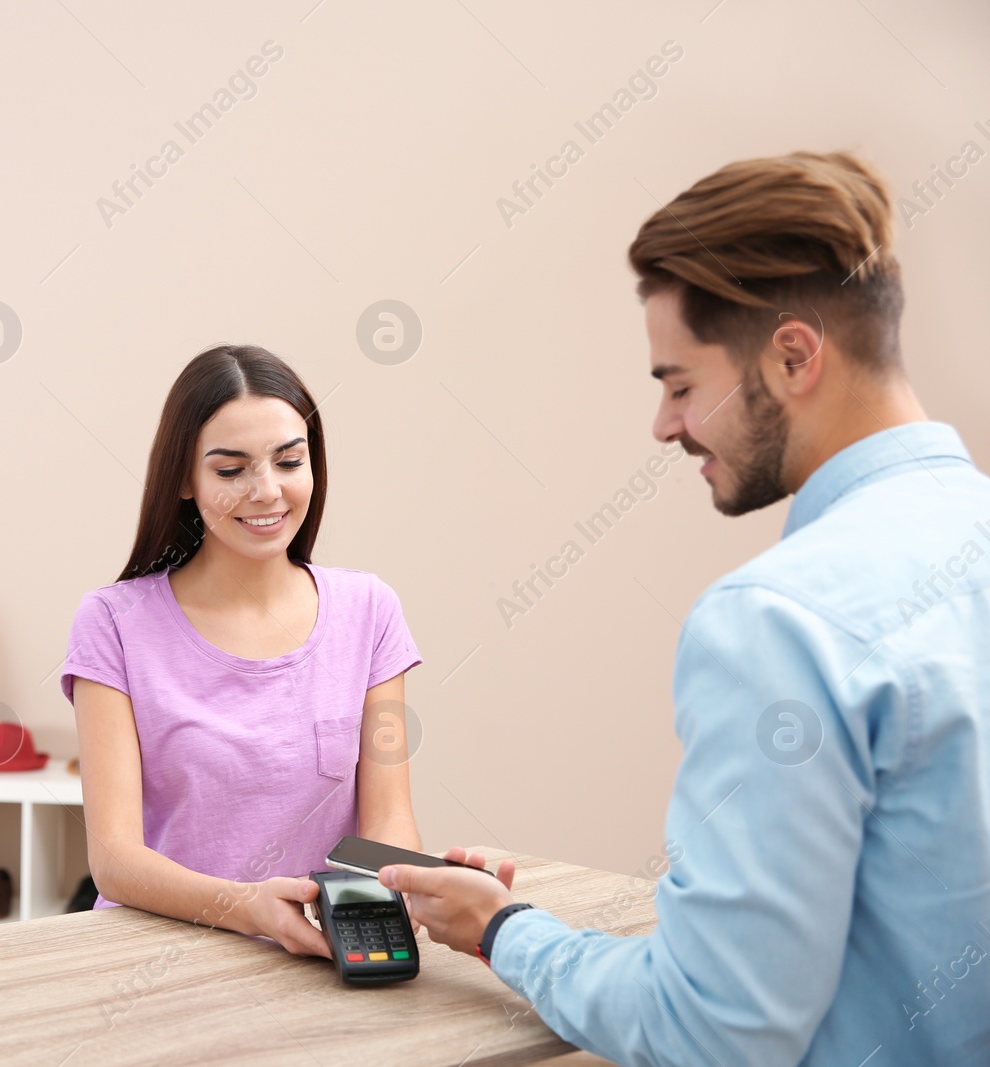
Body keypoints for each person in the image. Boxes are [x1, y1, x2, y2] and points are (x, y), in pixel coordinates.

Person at [380, 152, 990, 1065]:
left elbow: (713, 1031)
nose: (665, 426)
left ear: (791, 356)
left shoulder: (777, 621)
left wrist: (508, 930)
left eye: (679, 385)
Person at [62, 344, 424, 958]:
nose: (267, 491)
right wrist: (245, 908)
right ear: (183, 478)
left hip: (314, 956)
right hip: (153, 958)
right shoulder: (113, 623)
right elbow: (115, 860)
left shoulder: (370, 611)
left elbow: (387, 819)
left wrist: (409, 886)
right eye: (230, 471)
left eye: (289, 461)